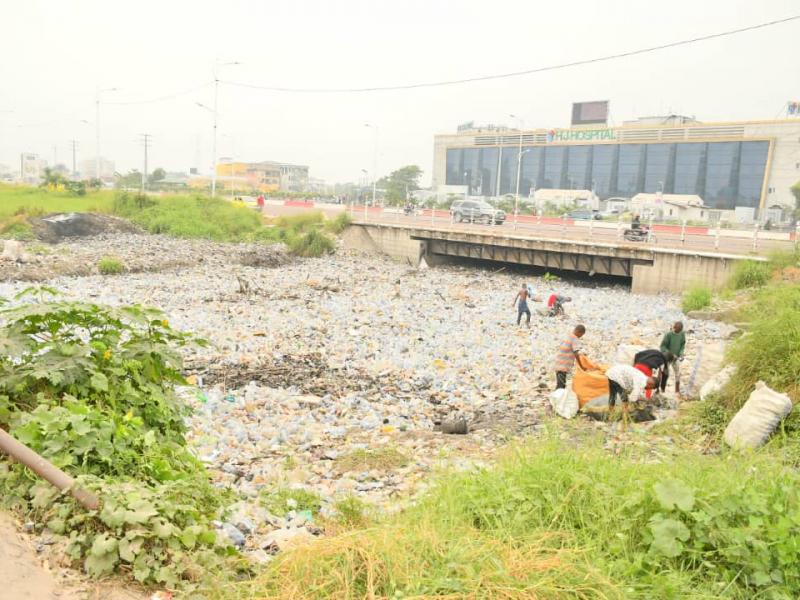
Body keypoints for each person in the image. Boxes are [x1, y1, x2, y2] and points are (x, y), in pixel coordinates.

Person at [554, 324, 586, 390]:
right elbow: (576, 353)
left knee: (560, 385)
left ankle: (556, 398)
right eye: (581, 335)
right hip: (563, 366)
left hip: (558, 363)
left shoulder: (568, 336)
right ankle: (557, 399)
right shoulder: (575, 339)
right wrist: (581, 366)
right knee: (561, 386)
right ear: (579, 332)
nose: (580, 337)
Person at [660, 321, 687, 396]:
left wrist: (681, 354)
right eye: (676, 330)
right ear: (674, 328)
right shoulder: (668, 334)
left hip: (676, 357)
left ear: (681, 330)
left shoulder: (682, 334)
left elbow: (682, 345)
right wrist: (671, 354)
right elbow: (662, 347)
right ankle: (662, 390)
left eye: (679, 331)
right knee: (665, 373)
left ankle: (677, 391)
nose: (677, 332)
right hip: (667, 357)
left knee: (678, 373)